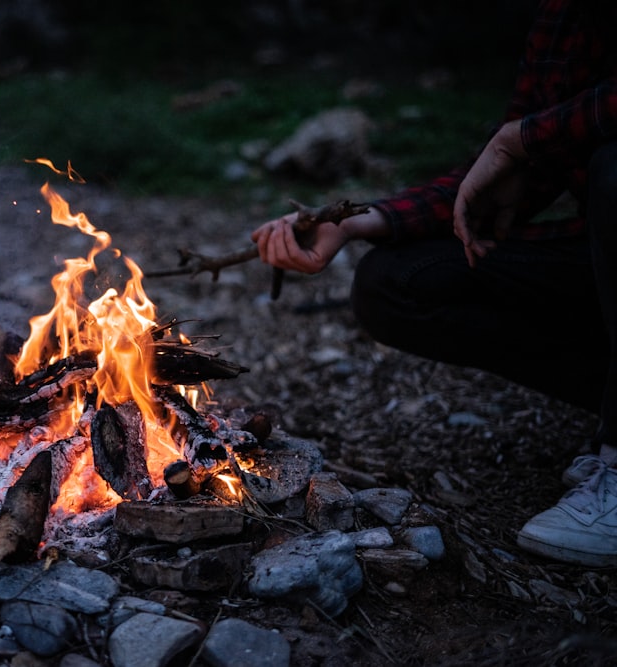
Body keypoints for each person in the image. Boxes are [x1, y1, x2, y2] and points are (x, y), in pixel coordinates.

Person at [251, 0, 617, 567]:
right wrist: (353, 222)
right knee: (396, 282)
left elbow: (522, 142)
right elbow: (509, 168)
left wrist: (519, 139)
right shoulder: (565, 13)